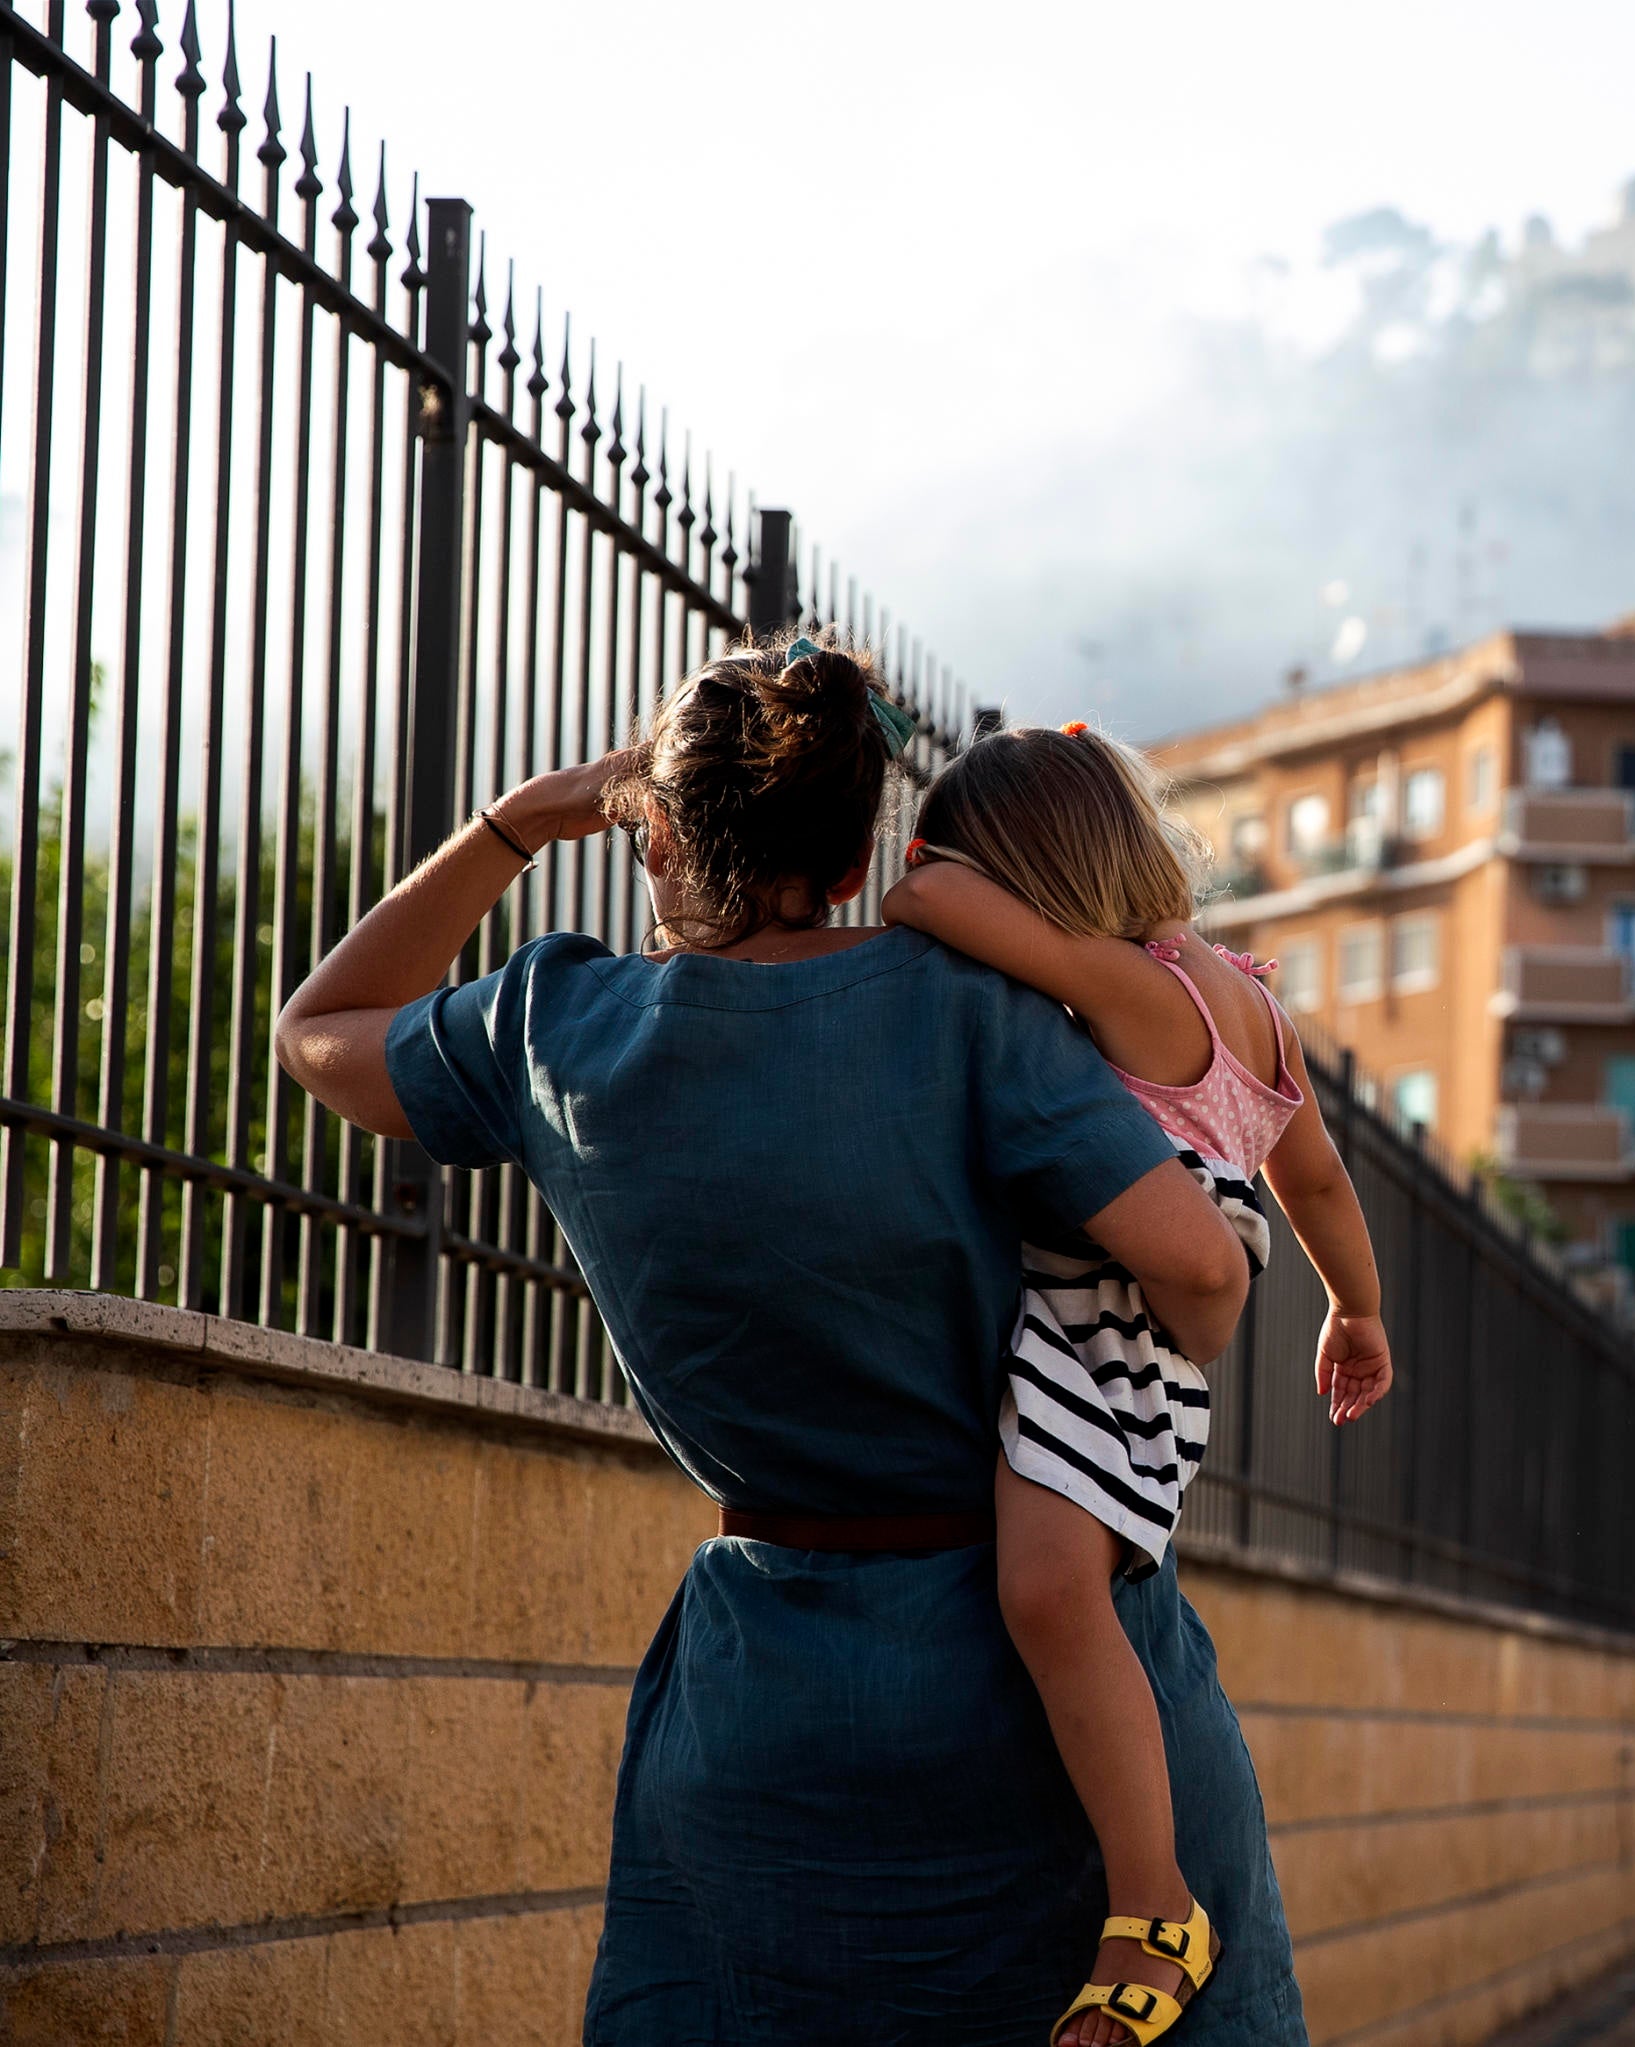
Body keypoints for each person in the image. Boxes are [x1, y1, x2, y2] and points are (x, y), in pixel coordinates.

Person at [273, 634, 1308, 2045]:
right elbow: (1201, 1275)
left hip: (777, 1710)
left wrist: (518, 818)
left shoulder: (558, 1026)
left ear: (657, 825)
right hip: (1060, 1686)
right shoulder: (974, 1008)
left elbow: (321, 1026)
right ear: (847, 854)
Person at [879, 721, 1392, 2045]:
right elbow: (1319, 1174)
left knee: (1047, 1586)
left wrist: (931, 849)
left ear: (1033, 869)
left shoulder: (1124, 985)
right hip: (1140, 1335)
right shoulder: (1248, 1000)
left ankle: (1153, 1901)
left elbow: (917, 896)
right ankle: (1148, 1887)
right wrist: (1359, 1302)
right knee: (1061, 1584)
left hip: (1101, 1323)